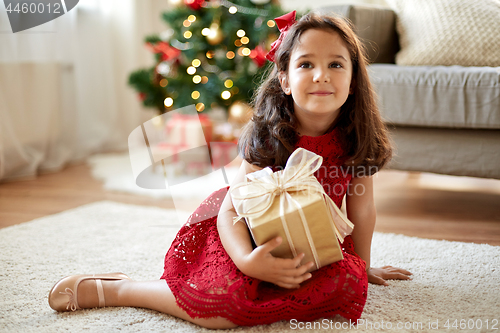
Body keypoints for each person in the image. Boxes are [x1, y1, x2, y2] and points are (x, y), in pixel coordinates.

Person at [48, 11, 412, 329]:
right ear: (284, 79)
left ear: (353, 80)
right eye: (305, 64)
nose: (321, 75)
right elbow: (232, 209)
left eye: (336, 64)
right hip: (241, 232)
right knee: (221, 309)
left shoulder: (358, 138)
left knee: (348, 286)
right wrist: (248, 262)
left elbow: (362, 208)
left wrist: (363, 267)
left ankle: (277, 284)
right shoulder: (271, 134)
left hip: (309, 242)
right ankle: (120, 289)